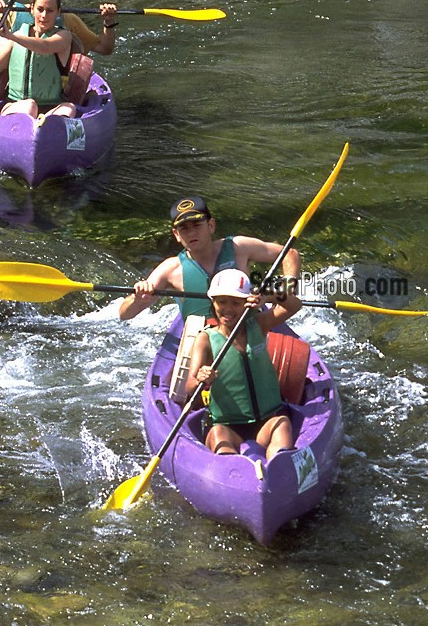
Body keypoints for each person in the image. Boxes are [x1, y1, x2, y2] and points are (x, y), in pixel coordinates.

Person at [117, 195, 301, 324]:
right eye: (184, 229)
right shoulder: (170, 269)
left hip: (247, 325)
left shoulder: (239, 247)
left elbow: (289, 253)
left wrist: (286, 287)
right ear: (176, 234)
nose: (192, 233)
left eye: (197, 225)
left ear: (211, 225)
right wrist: (138, 299)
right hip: (200, 338)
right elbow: (125, 314)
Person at [185, 269, 295, 461]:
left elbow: (294, 305)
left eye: (236, 302)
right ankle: (230, 469)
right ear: (213, 303)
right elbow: (189, 385)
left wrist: (267, 297)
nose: (228, 309)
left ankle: (278, 466)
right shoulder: (205, 339)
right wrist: (201, 378)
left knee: (283, 423)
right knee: (218, 434)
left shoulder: (259, 324)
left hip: (266, 420)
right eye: (222, 302)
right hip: (227, 425)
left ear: (247, 303)